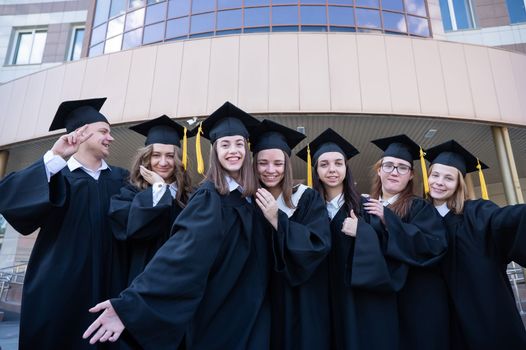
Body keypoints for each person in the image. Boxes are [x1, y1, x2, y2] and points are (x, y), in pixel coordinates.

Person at [83, 101, 271, 350]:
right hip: (222, 312)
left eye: (239, 144)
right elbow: (182, 254)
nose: (233, 151)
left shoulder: (253, 199)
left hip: (254, 309)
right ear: (214, 151)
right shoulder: (209, 197)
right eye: (224, 144)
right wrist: (131, 304)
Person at [0, 98, 129, 350]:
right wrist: (56, 156)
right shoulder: (56, 173)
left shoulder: (122, 179)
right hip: (60, 288)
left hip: (111, 285)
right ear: (80, 134)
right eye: (104, 131)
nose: (110, 138)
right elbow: (8, 197)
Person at [302, 128, 406, 350]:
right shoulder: (308, 210)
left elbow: (392, 251)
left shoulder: (366, 207)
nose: (332, 170)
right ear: (316, 170)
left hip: (358, 303)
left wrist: (364, 233)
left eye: (338, 163)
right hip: (322, 302)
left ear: (346, 168)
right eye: (324, 164)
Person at [425, 140, 526, 350]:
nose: (439, 182)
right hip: (439, 315)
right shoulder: (418, 216)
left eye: (449, 178)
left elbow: (506, 220)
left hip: (483, 309)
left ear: (459, 184)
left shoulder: (477, 213)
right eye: (435, 175)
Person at [252, 119, 331, 350]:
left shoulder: (306, 198)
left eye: (278, 163)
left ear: (287, 165)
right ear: (254, 165)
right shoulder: (247, 199)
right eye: (262, 163)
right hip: (256, 293)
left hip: (297, 297)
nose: (270, 170)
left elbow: (318, 244)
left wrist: (278, 219)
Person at [368, 134, 448, 350]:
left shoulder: (419, 207)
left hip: (416, 302)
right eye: (389, 166)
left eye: (402, 167)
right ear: (379, 170)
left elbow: (433, 246)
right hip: (378, 300)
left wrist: (389, 220)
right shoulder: (364, 208)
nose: (394, 172)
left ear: (411, 175)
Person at [109, 115, 193, 286]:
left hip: (182, 279)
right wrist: (159, 188)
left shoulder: (190, 196)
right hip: (143, 277)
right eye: (156, 155)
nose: (163, 162)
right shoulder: (129, 193)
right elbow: (131, 231)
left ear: (178, 160)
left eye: (170, 156)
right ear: (146, 158)